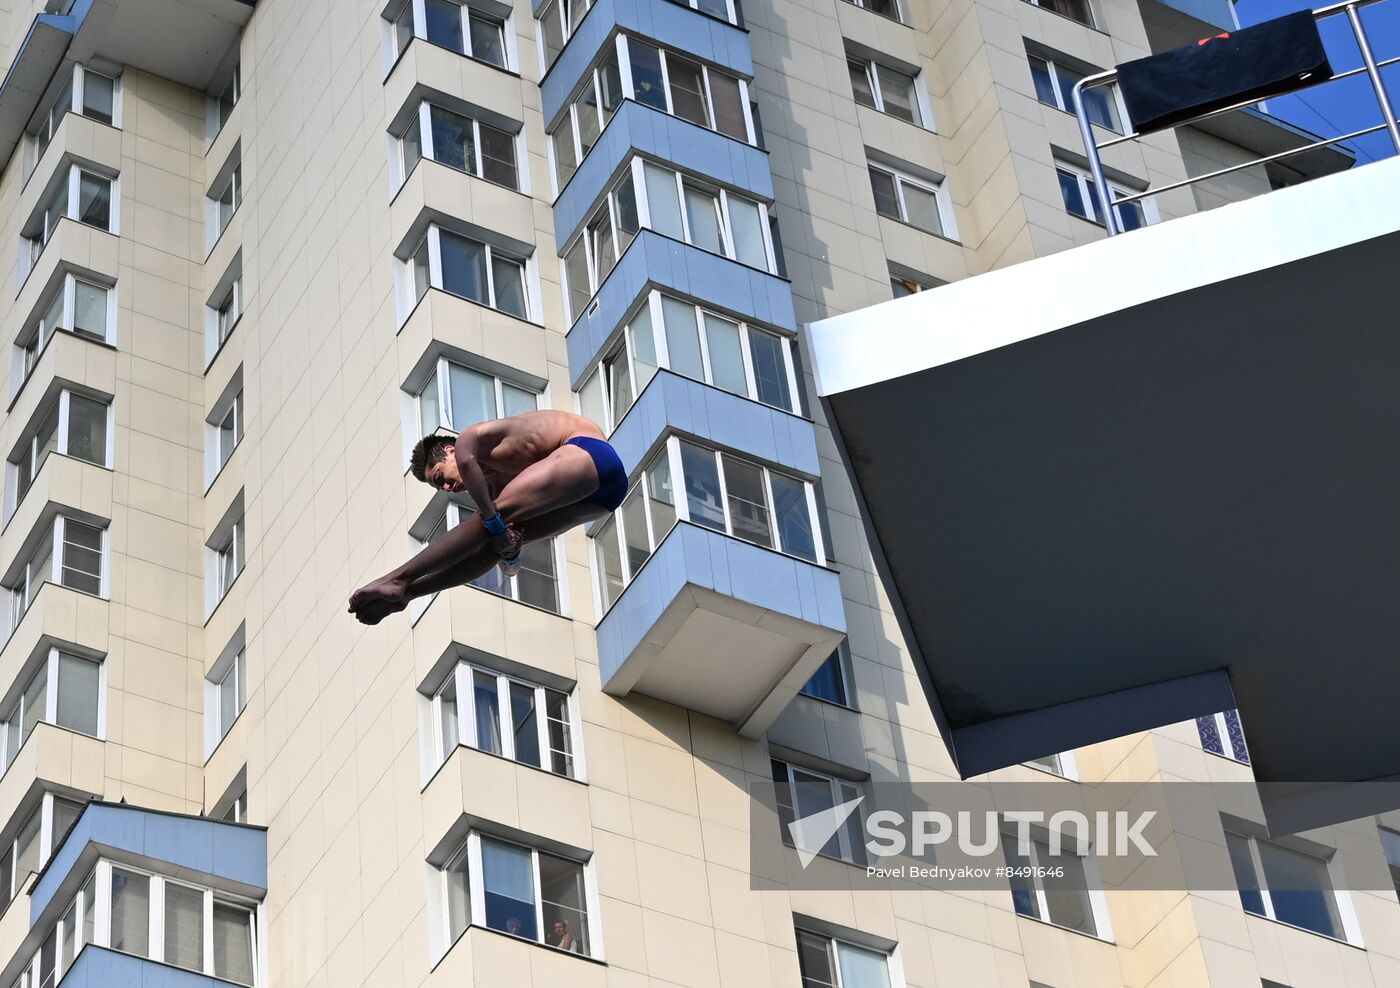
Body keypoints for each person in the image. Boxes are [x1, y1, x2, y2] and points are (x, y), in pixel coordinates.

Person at [348, 409, 625, 624]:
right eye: (439, 487)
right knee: (492, 543)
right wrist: (510, 551)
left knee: (490, 520)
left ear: (449, 450)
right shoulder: (497, 491)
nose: (447, 488)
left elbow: (469, 464)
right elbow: (510, 567)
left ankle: (397, 578)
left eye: (441, 477)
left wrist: (494, 521)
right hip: (602, 500)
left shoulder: (472, 438)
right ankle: (410, 592)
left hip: (590, 452)